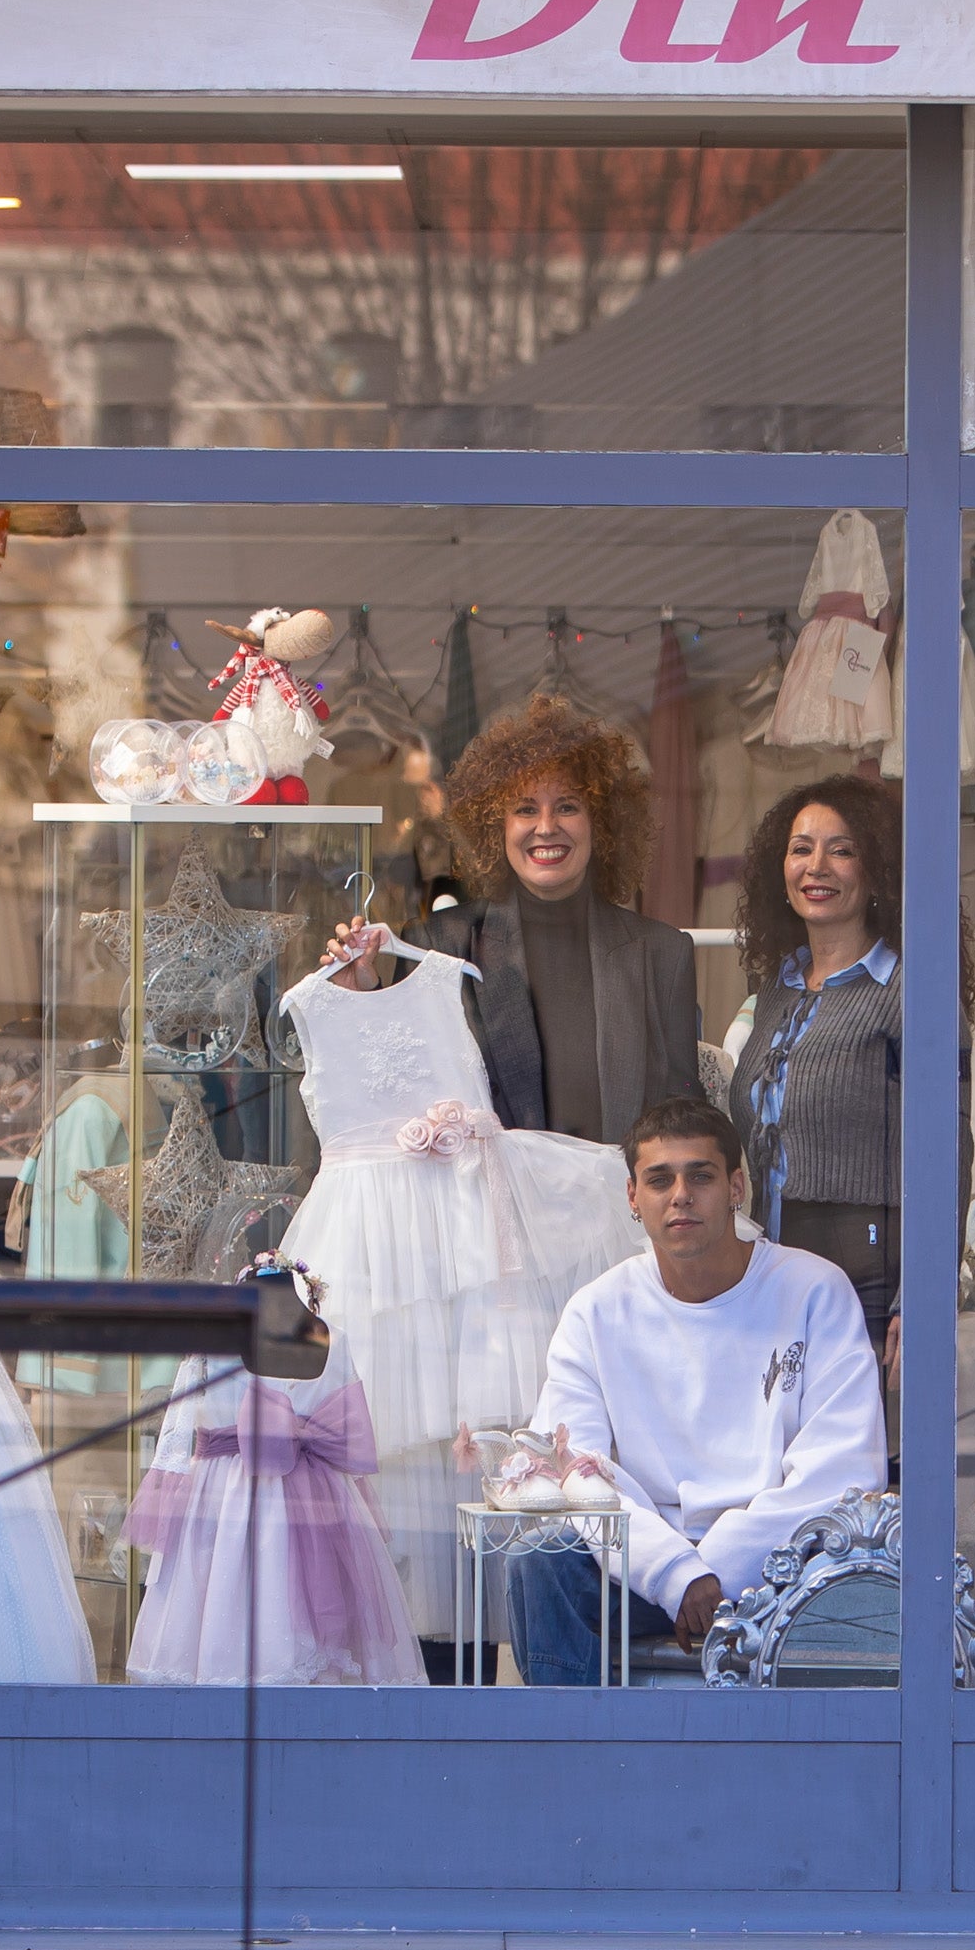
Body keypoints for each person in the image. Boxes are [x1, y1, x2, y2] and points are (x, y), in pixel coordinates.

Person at [511, 1098, 887, 1684]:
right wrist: (673, 1573)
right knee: (541, 1554)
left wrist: (712, 1570)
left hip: (781, 1569)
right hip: (644, 1569)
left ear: (737, 1186)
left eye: (701, 1176)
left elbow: (844, 1469)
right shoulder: (596, 1311)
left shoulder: (813, 1290)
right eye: (659, 1180)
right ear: (633, 1198)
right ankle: (571, 1763)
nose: (680, 1194)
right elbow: (573, 1476)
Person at [332, 695, 700, 1142]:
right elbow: (395, 1095)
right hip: (487, 1207)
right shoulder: (439, 944)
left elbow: (686, 1117)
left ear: (600, 823)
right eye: (525, 809)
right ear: (496, 826)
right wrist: (364, 997)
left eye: (567, 806)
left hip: (617, 1207)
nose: (546, 827)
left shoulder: (662, 953)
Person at [727, 774, 906, 1351]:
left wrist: (921, 1295)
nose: (817, 866)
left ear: (876, 870)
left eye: (842, 849)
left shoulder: (906, 988)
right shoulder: (777, 989)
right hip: (770, 1270)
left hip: (868, 1278)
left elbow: (946, 1149)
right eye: (801, 848)